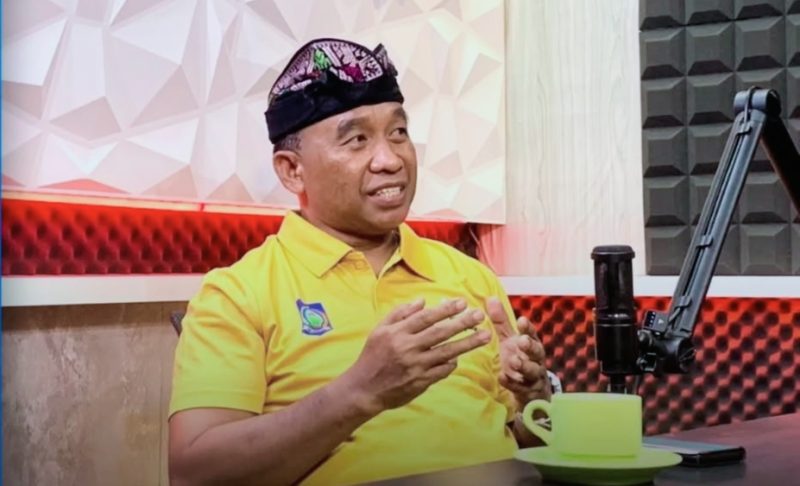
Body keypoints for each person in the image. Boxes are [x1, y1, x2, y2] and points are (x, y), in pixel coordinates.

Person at [168, 38, 551, 486]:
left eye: (398, 132)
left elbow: (525, 442)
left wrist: (534, 399)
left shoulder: (470, 276)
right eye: (357, 140)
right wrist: (361, 391)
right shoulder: (238, 294)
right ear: (292, 170)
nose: (390, 159)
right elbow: (195, 474)